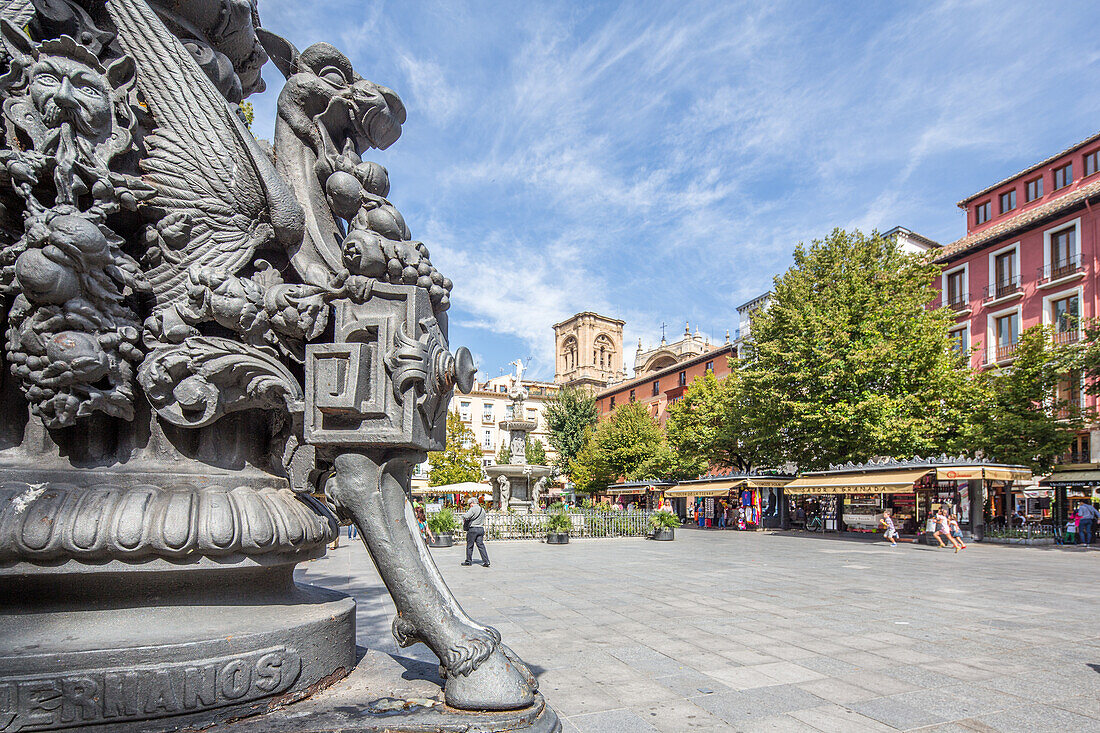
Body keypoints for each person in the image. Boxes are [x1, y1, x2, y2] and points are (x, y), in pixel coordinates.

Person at [461, 497, 489, 567]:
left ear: (472, 503)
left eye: (469, 504)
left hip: (473, 529)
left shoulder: (473, 509)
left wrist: (463, 516)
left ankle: (468, 561)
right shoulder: (482, 509)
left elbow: (466, 516)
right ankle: (486, 561)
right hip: (480, 529)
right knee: (481, 545)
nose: (469, 505)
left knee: (470, 545)